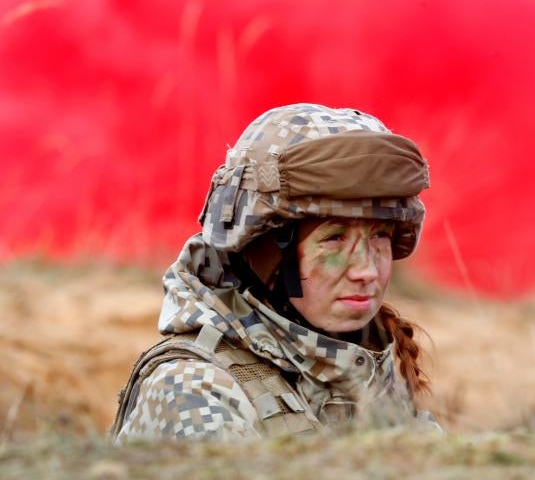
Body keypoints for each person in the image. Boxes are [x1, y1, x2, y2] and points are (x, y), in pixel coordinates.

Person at [111, 103, 439, 441]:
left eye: (380, 236)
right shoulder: (193, 390)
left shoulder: (370, 372)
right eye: (334, 238)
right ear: (266, 252)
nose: (366, 271)